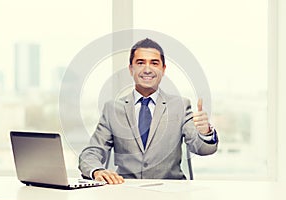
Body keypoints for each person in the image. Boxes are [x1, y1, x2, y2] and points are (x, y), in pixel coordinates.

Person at [79, 38, 218, 184]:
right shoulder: (112, 109)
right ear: (131, 69)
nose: (147, 69)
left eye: (154, 63)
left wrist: (205, 133)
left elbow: (203, 149)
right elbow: (91, 153)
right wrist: (97, 171)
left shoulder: (180, 106)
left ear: (163, 69)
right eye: (140, 63)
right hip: (126, 191)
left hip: (170, 193)